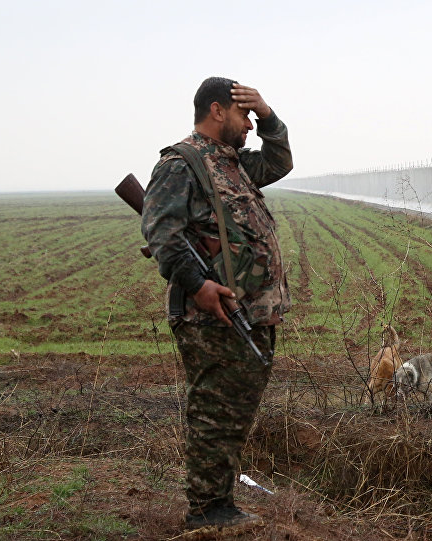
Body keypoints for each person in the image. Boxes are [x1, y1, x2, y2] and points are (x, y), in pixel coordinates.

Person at [141, 76, 293, 530]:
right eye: (244, 115)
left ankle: (220, 502)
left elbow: (279, 161)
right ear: (217, 111)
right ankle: (207, 510)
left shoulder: (231, 163)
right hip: (211, 316)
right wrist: (199, 287)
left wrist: (268, 115)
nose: (248, 124)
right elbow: (162, 235)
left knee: (234, 411)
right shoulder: (182, 164)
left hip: (245, 312)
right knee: (215, 412)